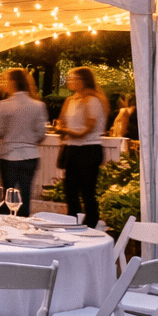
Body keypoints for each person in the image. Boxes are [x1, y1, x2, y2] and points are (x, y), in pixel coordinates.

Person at [56, 66, 109, 228]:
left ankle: (91, 224)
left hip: (89, 149)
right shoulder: (70, 100)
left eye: (73, 79)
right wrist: (63, 129)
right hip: (72, 148)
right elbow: (61, 121)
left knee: (87, 191)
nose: (69, 82)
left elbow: (88, 129)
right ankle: (73, 221)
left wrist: (65, 131)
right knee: (70, 190)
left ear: (83, 81)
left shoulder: (93, 100)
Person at [0, 68, 45, 217]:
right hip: (30, 154)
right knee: (25, 194)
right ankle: (24, 225)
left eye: (5, 81)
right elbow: (41, 134)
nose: (3, 84)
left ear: (13, 82)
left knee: (8, 194)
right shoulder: (38, 105)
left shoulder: (3, 105)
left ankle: (7, 227)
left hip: (9, 155)